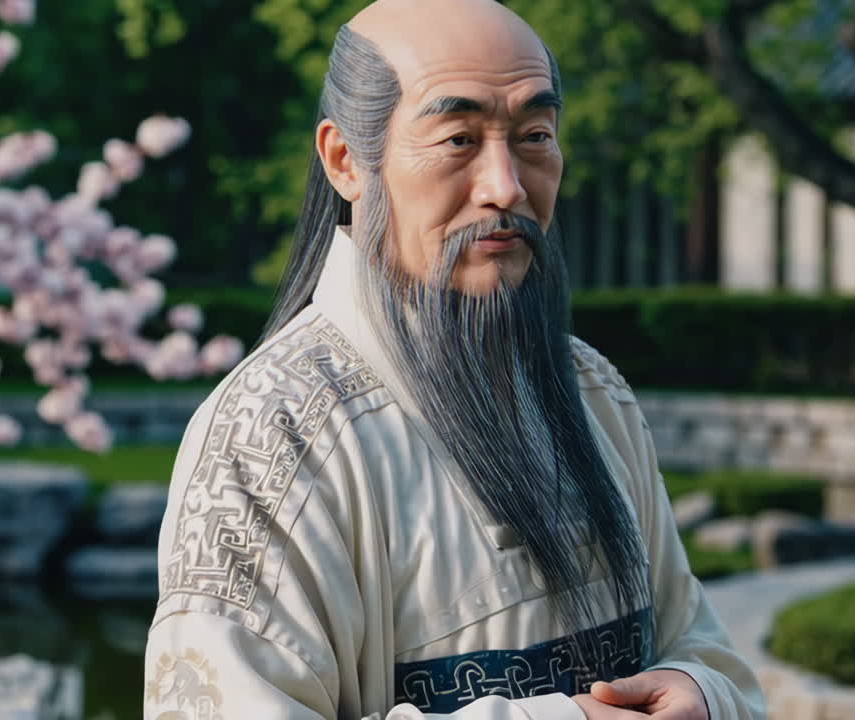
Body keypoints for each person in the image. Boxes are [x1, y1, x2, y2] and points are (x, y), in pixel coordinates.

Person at [144, 0, 765, 717]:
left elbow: (700, 644)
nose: (506, 186)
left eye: (535, 135)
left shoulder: (591, 389)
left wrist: (701, 691)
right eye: (458, 139)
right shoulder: (270, 433)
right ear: (346, 160)